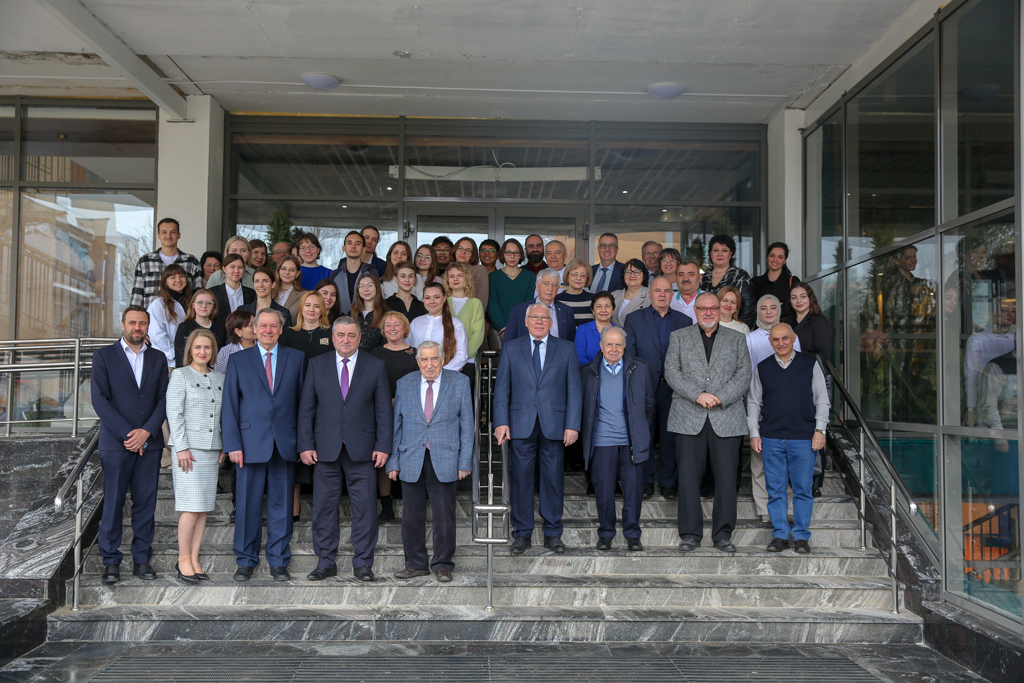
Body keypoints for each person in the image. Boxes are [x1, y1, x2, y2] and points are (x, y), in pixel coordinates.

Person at [298, 316, 392, 581]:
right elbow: (306, 409)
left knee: (365, 510)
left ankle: (363, 563)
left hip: (363, 450)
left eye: (351, 335)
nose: (346, 340)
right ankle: (325, 561)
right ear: (333, 337)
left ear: (360, 338)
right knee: (323, 509)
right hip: (324, 449)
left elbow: (384, 410)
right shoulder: (317, 364)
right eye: (341, 335)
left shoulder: (375, 365)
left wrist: (383, 446)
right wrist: (305, 444)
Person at [221, 308, 306, 582]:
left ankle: (279, 561)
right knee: (248, 506)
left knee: (282, 507)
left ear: (280, 330)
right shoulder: (238, 360)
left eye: (273, 326)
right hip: (248, 445)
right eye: (263, 326)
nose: (268, 330)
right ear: (254, 329)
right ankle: (245, 560)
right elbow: (229, 405)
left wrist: (302, 443)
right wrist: (232, 444)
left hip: (285, 444)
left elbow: (303, 406)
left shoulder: (297, 358)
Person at [664, 292, 752, 553]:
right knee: (688, 480)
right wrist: (697, 395)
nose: (709, 312)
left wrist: (720, 397)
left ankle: (723, 534)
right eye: (703, 308)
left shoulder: (737, 338)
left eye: (714, 307)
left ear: (722, 309)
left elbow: (744, 373)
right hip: (688, 416)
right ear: (696, 311)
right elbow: (672, 372)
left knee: (726, 480)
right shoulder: (679, 337)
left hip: (726, 417)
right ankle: (690, 534)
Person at [493, 302, 582, 555]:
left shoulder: (566, 348)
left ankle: (553, 533)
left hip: (555, 424)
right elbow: (502, 389)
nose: (539, 321)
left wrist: (572, 424)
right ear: (526, 321)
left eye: (544, 318)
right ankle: (522, 533)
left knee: (553, 479)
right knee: (521, 480)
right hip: (520, 424)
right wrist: (500, 421)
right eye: (535, 317)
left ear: (551, 323)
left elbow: (574, 390)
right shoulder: (511, 347)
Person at [91, 306, 169, 584]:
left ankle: (141, 559)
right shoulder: (104, 356)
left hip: (150, 444)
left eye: (142, 323)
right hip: (115, 444)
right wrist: (129, 435)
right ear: (123, 324)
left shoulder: (158, 358)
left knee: (145, 505)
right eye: (132, 322)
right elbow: (100, 400)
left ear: (148, 326)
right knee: (113, 504)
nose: (137, 327)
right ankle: (110, 561)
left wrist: (146, 432)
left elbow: (163, 399)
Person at [388, 340, 474, 582]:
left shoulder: (459, 382)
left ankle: (443, 564)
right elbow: (397, 425)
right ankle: (415, 563)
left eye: (434, 358)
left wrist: (464, 462)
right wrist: (393, 461)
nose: (429, 364)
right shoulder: (404, 383)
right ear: (418, 362)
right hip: (411, 456)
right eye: (424, 359)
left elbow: (467, 424)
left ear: (442, 360)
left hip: (446, 457)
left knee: (444, 515)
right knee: (410, 515)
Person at [747, 323, 830, 555]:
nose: (781, 343)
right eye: (776, 339)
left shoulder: (809, 364)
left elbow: (822, 399)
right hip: (771, 438)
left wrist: (820, 430)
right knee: (775, 490)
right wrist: (754, 433)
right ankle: (780, 535)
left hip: (803, 438)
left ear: (793, 338)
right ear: (770, 342)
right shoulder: (762, 367)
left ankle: (801, 537)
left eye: (785, 338)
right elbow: (753, 402)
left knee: (803, 490)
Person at [580, 326, 654, 552]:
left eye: (618, 344)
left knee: (633, 491)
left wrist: (640, 430)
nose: (613, 349)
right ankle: (605, 534)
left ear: (624, 346)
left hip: (631, 442)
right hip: (602, 442)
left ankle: (633, 535)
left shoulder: (639, 368)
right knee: (603, 492)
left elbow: (649, 405)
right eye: (609, 344)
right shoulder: (588, 372)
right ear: (601, 346)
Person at [624, 276, 692, 499]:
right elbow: (630, 356)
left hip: (673, 390)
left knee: (670, 438)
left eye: (666, 291)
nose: (662, 294)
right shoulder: (634, 319)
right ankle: (645, 483)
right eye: (657, 290)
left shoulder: (684, 321)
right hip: (644, 389)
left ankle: (668, 482)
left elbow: (688, 357)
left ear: (672, 295)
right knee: (644, 436)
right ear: (650, 293)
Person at [166, 328, 225, 582]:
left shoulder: (221, 378)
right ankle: (182, 560)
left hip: (212, 450)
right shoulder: (180, 375)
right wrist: (180, 447)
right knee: (190, 508)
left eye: (207, 347)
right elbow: (174, 413)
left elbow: (225, 415)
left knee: (203, 509)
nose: (203, 351)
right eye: (198, 347)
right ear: (190, 350)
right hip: (188, 451)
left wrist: (224, 445)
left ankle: (194, 558)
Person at [746, 294, 802, 520]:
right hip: (760, 404)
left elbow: (798, 370)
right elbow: (748, 371)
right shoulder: (750, 338)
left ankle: (788, 509)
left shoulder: (792, 336)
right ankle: (764, 509)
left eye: (772, 307)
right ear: (757, 311)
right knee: (760, 462)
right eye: (763, 308)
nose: (768, 312)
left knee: (787, 461)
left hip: (787, 407)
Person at [371, 311, 420, 523]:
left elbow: (420, 383)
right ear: (383, 330)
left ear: (405, 328)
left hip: (410, 413)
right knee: (384, 457)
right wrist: (385, 402)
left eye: (397, 324)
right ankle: (387, 506)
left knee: (409, 455)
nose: (392, 328)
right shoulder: (374, 354)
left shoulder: (416, 353)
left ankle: (411, 504)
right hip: (382, 414)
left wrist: (399, 401)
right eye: (388, 324)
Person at [129, 217, 204, 307]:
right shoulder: (145, 261)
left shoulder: (192, 262)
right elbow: (137, 295)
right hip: (151, 315)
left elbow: (198, 296)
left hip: (183, 314)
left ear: (179, 235)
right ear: (158, 235)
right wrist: (133, 313)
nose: (168, 236)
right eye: (164, 232)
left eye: (173, 232)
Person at [503, 268, 576, 342]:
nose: (550, 289)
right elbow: (507, 344)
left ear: (558, 289)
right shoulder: (518, 311)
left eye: (554, 285)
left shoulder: (567, 311)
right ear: (537, 286)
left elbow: (571, 344)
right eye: (546, 283)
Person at [408, 282, 468, 372]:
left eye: (436, 297)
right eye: (427, 298)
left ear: (444, 298)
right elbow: (408, 350)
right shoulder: (415, 322)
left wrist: (442, 372)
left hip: (446, 374)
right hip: (417, 373)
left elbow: (462, 355)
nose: (432, 301)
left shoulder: (456, 324)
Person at [701, 234, 754, 327]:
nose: (720, 254)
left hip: (734, 329)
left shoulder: (740, 277)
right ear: (710, 253)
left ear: (731, 253)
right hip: (706, 328)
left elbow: (749, 309)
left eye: (724, 250)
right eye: (716, 250)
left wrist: (738, 329)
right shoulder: (704, 278)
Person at [445, 262, 485, 384]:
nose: (455, 279)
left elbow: (478, 334)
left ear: (467, 278)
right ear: (447, 280)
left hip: (467, 360)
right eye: (451, 276)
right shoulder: (442, 302)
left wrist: (461, 358)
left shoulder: (475, 303)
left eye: (460, 275)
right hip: (444, 360)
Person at [487, 238, 536, 337]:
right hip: (498, 330)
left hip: (522, 328)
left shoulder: (530, 276)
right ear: (503, 254)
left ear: (521, 255)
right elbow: (492, 305)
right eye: (508, 252)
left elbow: (529, 304)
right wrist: (503, 328)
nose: (512, 256)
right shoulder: (493, 276)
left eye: (516, 252)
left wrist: (516, 328)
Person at [146, 264, 191, 369]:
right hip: (168, 362)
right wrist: (175, 354)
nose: (178, 280)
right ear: (165, 282)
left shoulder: (190, 302)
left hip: (188, 361)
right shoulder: (158, 304)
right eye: (172, 277)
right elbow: (157, 335)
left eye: (181, 276)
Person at [784, 283, 832, 372]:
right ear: (790, 301)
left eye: (803, 296)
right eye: (794, 298)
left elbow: (823, 355)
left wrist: (792, 354)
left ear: (810, 298)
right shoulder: (787, 322)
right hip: (787, 372)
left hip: (809, 372)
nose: (798, 301)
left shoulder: (818, 321)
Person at [174, 289, 225, 368]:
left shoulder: (220, 328)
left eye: (209, 303)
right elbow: (180, 358)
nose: (204, 306)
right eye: (200, 302)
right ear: (193, 305)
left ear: (213, 307)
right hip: (189, 373)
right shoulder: (184, 327)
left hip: (216, 373)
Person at [750, 242, 801, 320]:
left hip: (788, 325)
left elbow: (797, 304)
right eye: (772, 256)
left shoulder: (793, 280)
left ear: (785, 260)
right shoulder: (756, 282)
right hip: (763, 326)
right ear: (767, 257)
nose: (775, 260)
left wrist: (766, 308)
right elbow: (751, 307)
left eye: (780, 257)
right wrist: (780, 307)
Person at [210, 254, 256, 337]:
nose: (236, 271)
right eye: (232, 267)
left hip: (245, 339)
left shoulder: (251, 293)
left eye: (240, 267)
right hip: (220, 338)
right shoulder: (213, 293)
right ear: (224, 269)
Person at [332, 231, 375, 314]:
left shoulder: (371, 272)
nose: (353, 246)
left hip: (366, 319)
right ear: (344, 248)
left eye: (358, 243)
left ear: (363, 249)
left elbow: (377, 299)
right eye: (349, 243)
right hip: (339, 320)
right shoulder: (335, 274)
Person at [575, 291, 617, 366]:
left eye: (607, 306)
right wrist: (596, 371)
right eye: (599, 306)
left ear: (613, 309)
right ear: (593, 310)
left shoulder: (619, 331)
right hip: (588, 371)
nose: (603, 310)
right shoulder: (583, 330)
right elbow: (580, 358)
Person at [351, 272, 387, 351]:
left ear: (377, 287)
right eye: (362, 286)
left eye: (370, 285)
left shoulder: (386, 314)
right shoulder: (351, 313)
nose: (366, 289)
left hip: (377, 358)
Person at [453, 236, 490, 311]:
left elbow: (481, 302)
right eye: (460, 248)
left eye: (468, 250)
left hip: (472, 316)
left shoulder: (479, 270)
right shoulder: (445, 274)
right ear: (455, 251)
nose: (463, 252)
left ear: (472, 255)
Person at [215, 309, 255, 375]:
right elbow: (219, 377)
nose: (256, 328)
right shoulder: (225, 352)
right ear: (238, 331)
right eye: (251, 325)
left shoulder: (265, 347)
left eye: (256, 323)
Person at [556, 258, 595, 327]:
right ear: (567, 276)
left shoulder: (594, 300)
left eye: (583, 275)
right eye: (574, 274)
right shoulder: (557, 300)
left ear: (587, 278)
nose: (578, 278)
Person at [611, 258, 650, 325]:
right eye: (628, 272)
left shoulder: (650, 296)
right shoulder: (613, 295)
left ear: (644, 275)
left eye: (636, 272)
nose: (632, 275)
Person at [273, 255, 306, 323]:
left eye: (292, 270)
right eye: (283, 269)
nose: (287, 273)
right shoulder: (269, 292)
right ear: (278, 270)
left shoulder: (304, 295)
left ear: (297, 273)